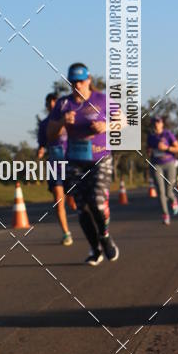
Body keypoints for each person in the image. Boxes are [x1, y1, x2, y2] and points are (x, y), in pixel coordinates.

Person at [47, 63, 119, 266]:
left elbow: (124, 120)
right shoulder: (63, 105)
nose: (77, 84)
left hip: (100, 158)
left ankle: (104, 236)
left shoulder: (102, 99)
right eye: (73, 81)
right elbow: (50, 134)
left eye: (81, 80)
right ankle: (94, 249)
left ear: (89, 80)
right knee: (82, 208)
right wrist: (62, 122)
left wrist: (106, 126)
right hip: (75, 161)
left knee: (96, 202)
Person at [37, 93, 73, 245]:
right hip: (54, 166)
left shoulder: (70, 119)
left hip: (72, 164)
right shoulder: (44, 124)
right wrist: (40, 151)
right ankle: (66, 234)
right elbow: (42, 145)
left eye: (55, 103)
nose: (52, 106)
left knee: (75, 203)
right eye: (49, 104)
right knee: (59, 201)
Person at [147, 117, 178, 224]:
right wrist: (150, 150)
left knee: (168, 190)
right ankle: (165, 215)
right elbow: (148, 150)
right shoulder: (151, 137)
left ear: (162, 124)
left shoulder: (168, 134)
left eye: (159, 122)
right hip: (157, 164)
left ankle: (173, 199)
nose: (157, 124)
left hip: (169, 163)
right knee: (160, 191)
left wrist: (166, 148)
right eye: (154, 122)